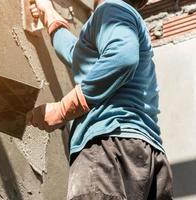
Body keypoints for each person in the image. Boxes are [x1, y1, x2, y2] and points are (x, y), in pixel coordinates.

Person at [27, 0, 173, 199]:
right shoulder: (120, 16)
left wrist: (62, 110)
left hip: (110, 148)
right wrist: (48, 13)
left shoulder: (112, 8)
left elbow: (122, 58)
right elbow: (77, 54)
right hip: (144, 155)